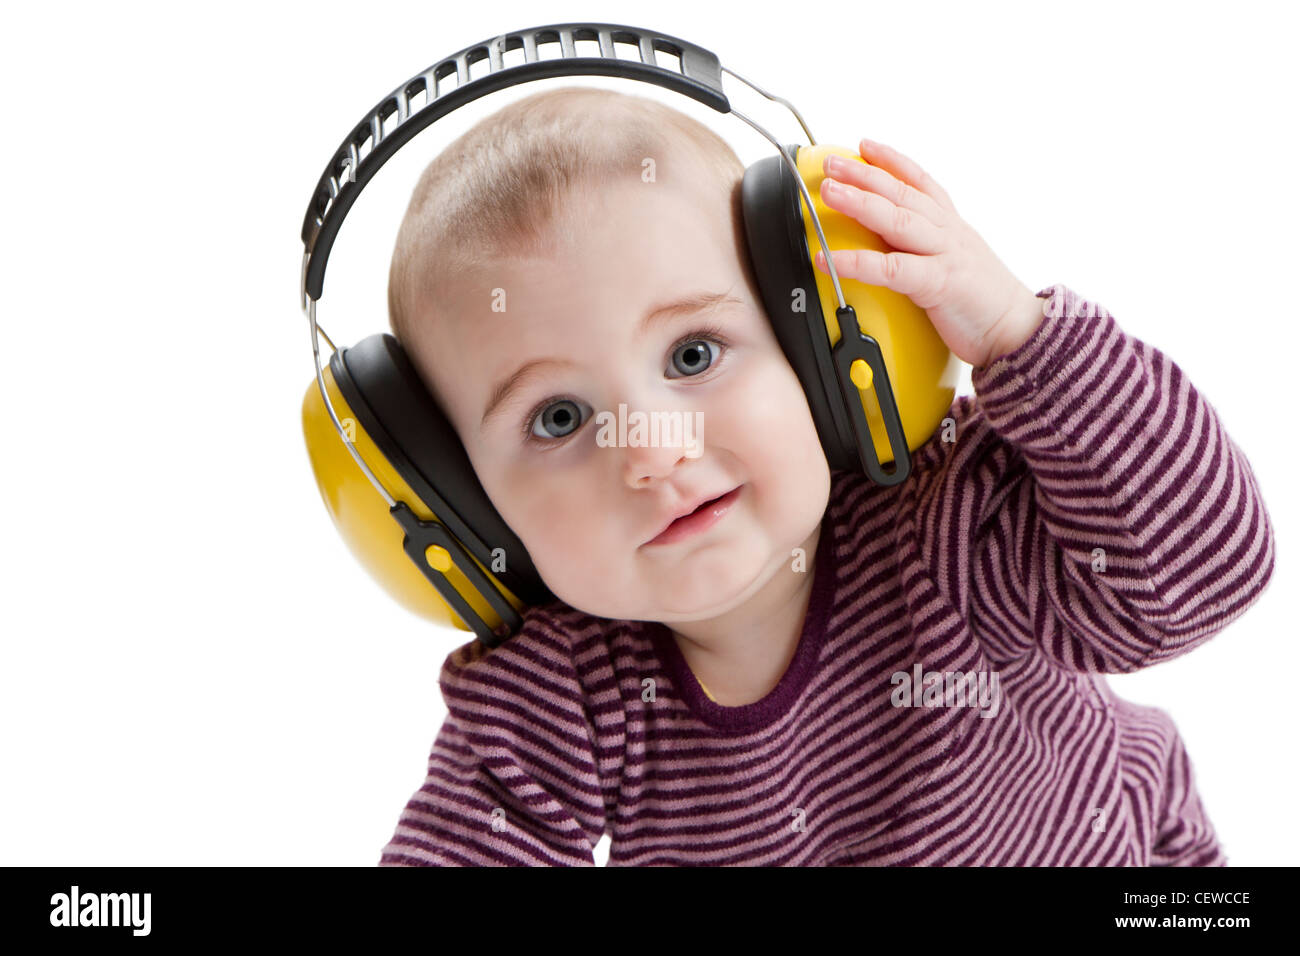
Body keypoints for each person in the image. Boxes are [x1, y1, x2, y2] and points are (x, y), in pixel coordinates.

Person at [376, 86, 1274, 865]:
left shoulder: (940, 526)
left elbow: (1206, 575)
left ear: (810, 351)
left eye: (693, 354)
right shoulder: (556, 701)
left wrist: (1019, 336)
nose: (653, 450)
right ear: (463, 504)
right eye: (557, 419)